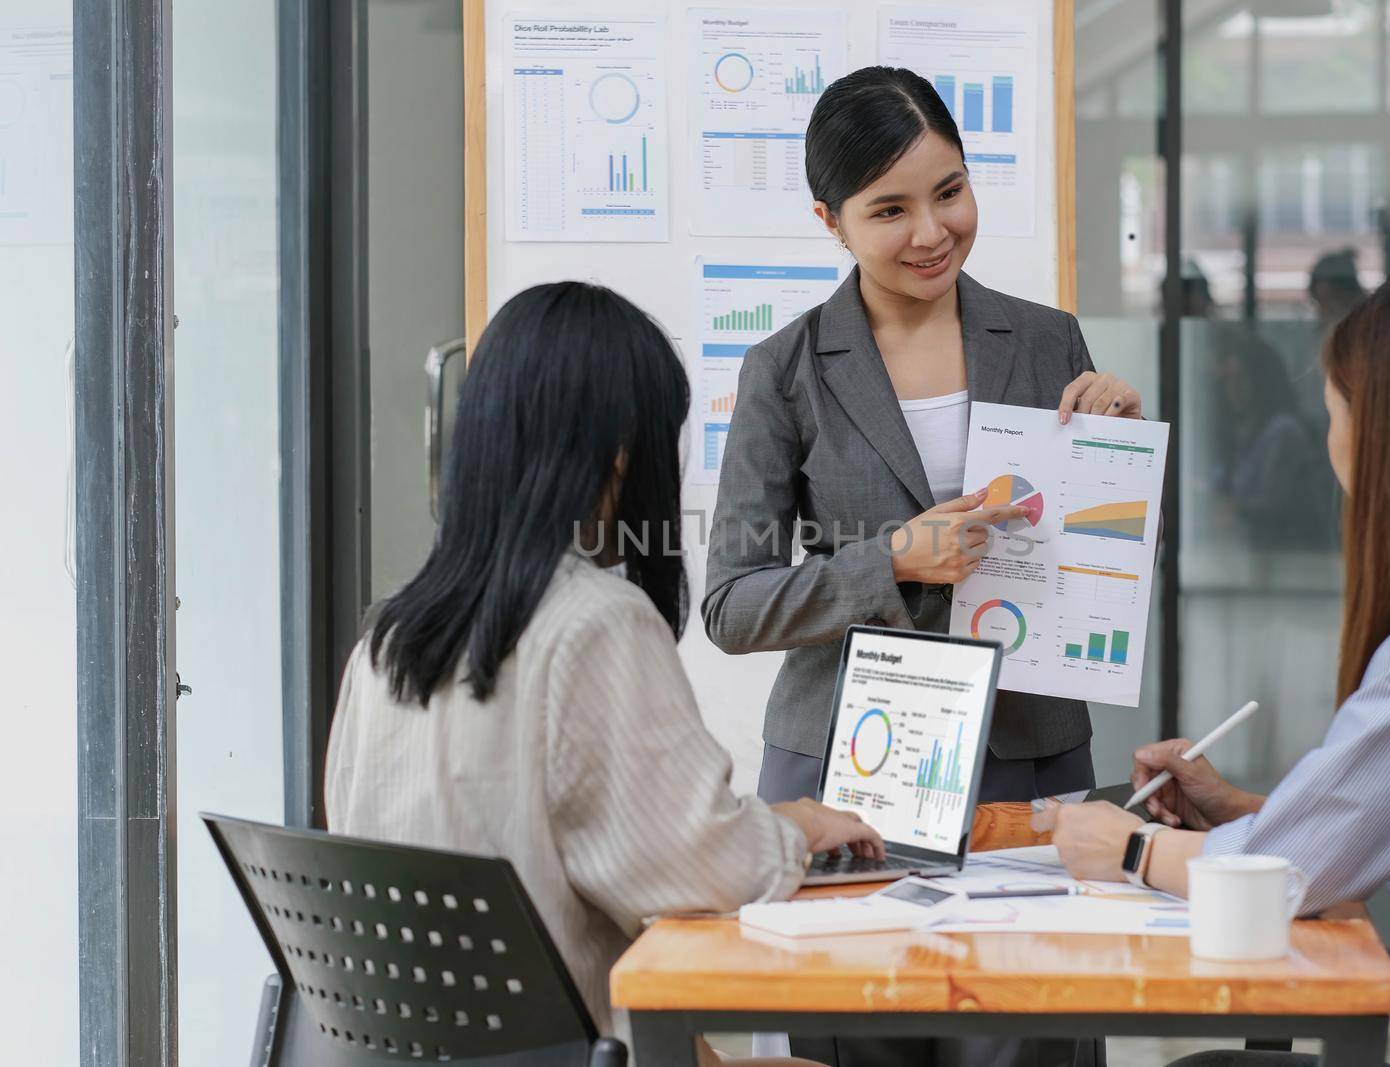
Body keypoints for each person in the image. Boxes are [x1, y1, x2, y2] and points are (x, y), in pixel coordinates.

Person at [1046, 269, 1390, 1067]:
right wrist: (1241, 807)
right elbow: (1366, 831)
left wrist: (1127, 848)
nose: (1330, 434)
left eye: (1336, 409)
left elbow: (1295, 875)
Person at [324, 282, 883, 1067]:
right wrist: (792, 827)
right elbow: (697, 868)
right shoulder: (594, 622)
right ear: (622, 447)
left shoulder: (388, 636)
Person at [705, 64, 1143, 812]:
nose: (933, 233)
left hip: (1027, 741)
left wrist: (1124, 467)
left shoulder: (1048, 340)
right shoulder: (784, 368)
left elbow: (1120, 564)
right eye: (889, 211)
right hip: (850, 746)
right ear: (830, 221)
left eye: (949, 192)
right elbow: (731, 607)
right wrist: (898, 559)